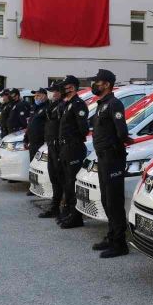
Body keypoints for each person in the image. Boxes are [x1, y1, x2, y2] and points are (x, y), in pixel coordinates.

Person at [89, 69, 133, 258]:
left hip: (113, 158)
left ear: (106, 84)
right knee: (106, 199)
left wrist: (122, 143)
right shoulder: (102, 104)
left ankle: (120, 243)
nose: (94, 85)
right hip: (103, 157)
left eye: (97, 82)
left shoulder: (114, 104)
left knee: (114, 201)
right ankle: (111, 236)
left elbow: (121, 132)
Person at [57, 75, 89, 229]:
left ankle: (76, 217)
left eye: (68, 86)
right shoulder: (67, 104)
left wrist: (73, 140)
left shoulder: (78, 104)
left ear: (74, 87)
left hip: (73, 147)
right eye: (64, 86)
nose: (65, 89)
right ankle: (68, 212)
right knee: (66, 182)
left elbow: (82, 128)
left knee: (72, 182)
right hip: (65, 148)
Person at [38, 84, 65, 219]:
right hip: (51, 145)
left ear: (59, 92)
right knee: (54, 178)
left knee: (61, 179)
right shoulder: (52, 105)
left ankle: (64, 208)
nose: (51, 94)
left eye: (53, 91)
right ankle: (55, 207)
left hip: (59, 146)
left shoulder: (62, 106)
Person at [24, 88, 49, 196]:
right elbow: (30, 125)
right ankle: (33, 187)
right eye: (35, 96)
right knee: (33, 166)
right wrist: (26, 138)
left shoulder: (47, 108)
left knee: (40, 167)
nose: (36, 97)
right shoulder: (35, 108)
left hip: (41, 142)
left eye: (39, 95)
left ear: (45, 96)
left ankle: (41, 188)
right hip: (33, 141)